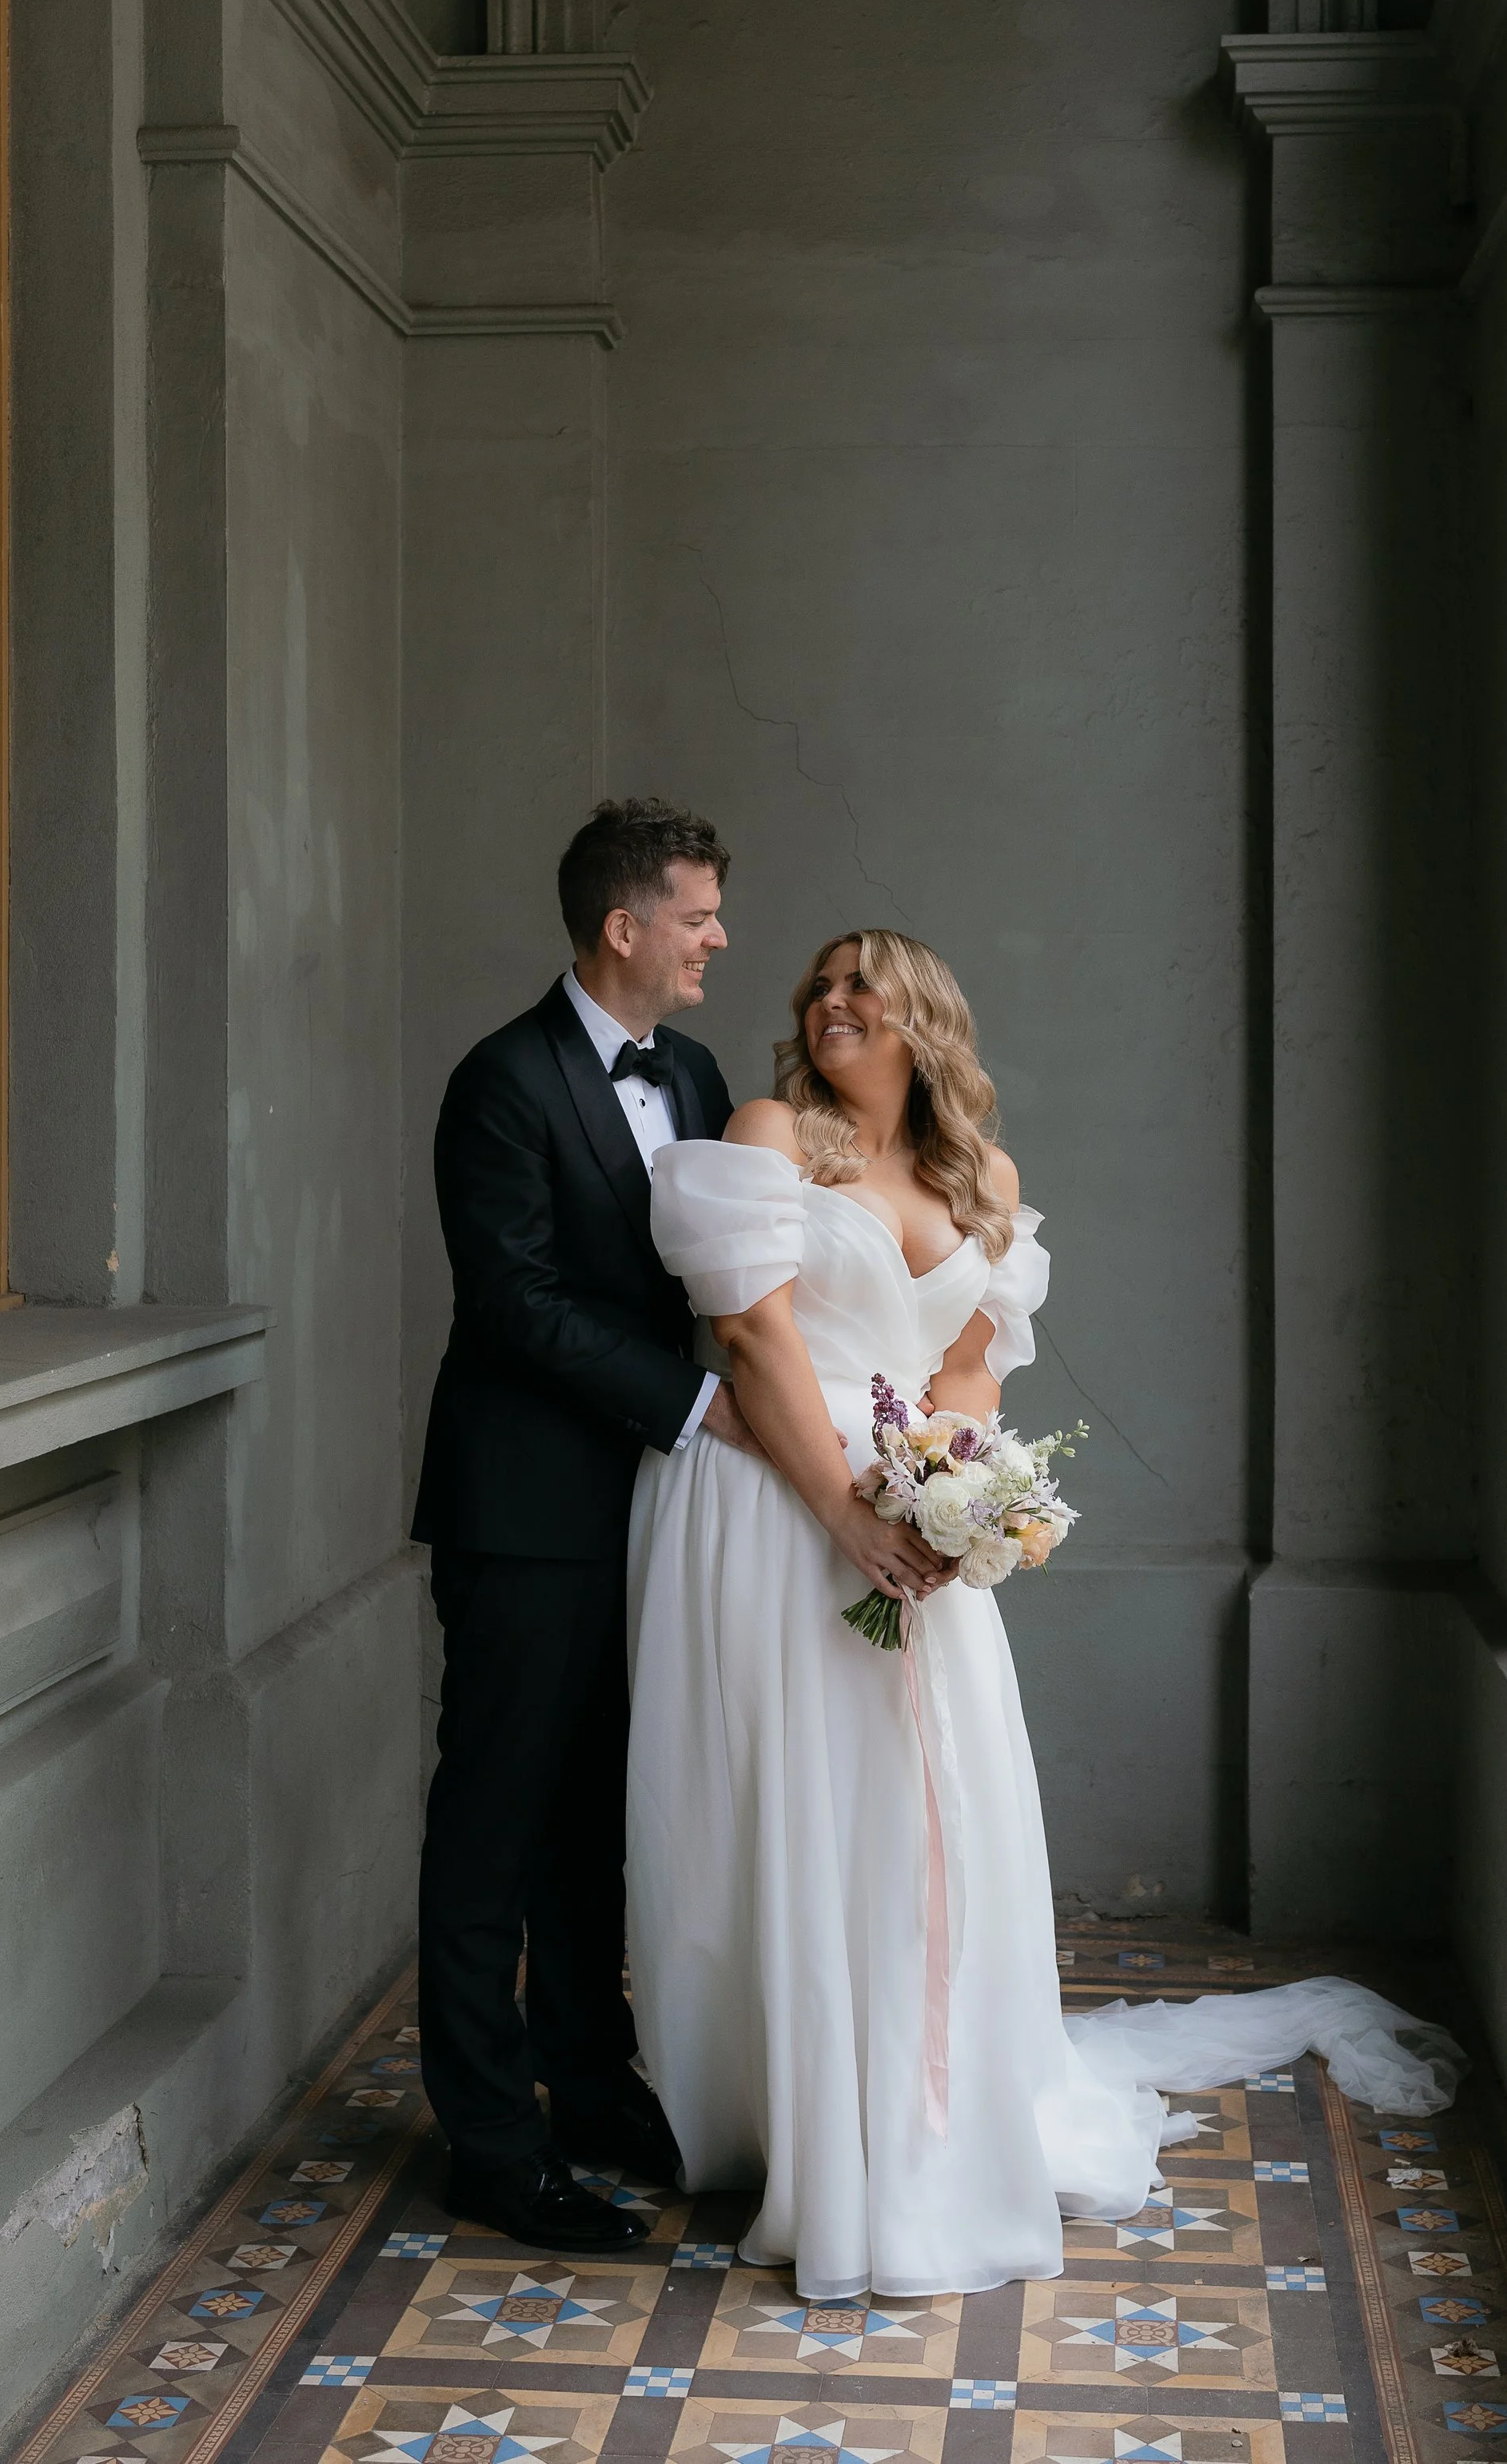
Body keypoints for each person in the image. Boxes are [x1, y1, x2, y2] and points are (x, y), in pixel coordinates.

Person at [628, 928, 1461, 2299]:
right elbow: (753, 1334)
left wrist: (954, 1499)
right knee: (789, 1804)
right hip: (773, 1509)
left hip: (910, 1525)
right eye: (816, 987)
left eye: (860, 982)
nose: (828, 1001)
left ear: (925, 1018)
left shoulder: (984, 1180)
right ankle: (789, 2119)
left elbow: (967, 1376)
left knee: (927, 1819)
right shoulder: (773, 1129)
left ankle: (925, 2107)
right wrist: (849, 1507)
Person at [411, 804, 953, 2257]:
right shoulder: (501, 1082)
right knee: (495, 1821)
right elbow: (513, 1303)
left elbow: (735, 1274)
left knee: (597, 1818)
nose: (722, 938)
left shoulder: (701, 1072)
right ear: (625, 928)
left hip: (664, 1515)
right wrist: (700, 1404)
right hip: (527, 1509)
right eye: (702, 915)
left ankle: (591, 2087)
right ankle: (492, 2142)